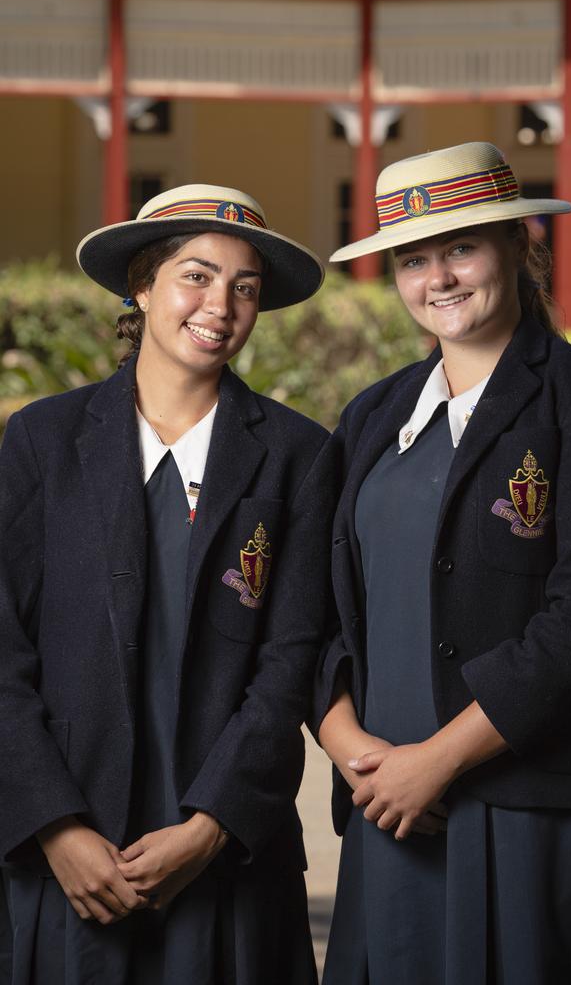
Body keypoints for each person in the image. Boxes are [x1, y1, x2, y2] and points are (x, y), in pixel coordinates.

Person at [315, 142, 571, 984]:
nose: (441, 278)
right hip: (391, 815)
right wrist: (357, 754)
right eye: (414, 259)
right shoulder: (368, 417)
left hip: (537, 809)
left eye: (461, 247)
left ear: (518, 246)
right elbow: (322, 615)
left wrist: (439, 759)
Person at [0, 184, 336, 984]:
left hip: (225, 855)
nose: (219, 305)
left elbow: (290, 663)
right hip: (70, 853)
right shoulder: (42, 442)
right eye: (195, 275)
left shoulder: (298, 455)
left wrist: (212, 825)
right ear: (142, 287)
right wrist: (55, 827)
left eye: (245, 287)